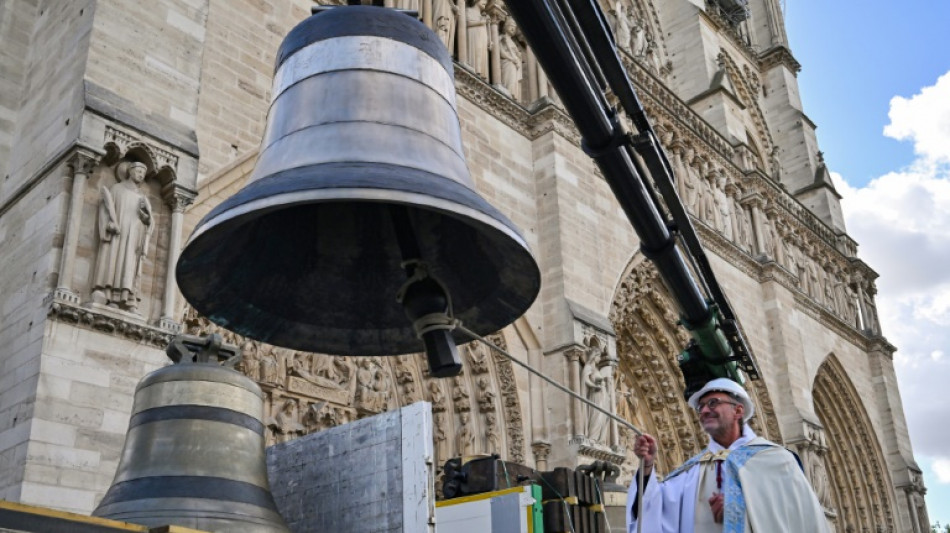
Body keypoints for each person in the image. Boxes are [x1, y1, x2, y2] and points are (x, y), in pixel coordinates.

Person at [626, 378, 829, 533]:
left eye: (713, 403)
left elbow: (800, 518)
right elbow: (651, 511)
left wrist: (737, 506)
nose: (704, 410)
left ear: (738, 411)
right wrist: (647, 466)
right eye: (701, 407)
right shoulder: (693, 471)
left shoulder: (776, 460)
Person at [91, 160, 153, 311]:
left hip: (134, 237)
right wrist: (109, 224)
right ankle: (109, 294)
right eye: (138, 172)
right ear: (130, 171)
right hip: (117, 236)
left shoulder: (142, 197)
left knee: (129, 265)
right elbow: (106, 209)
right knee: (114, 261)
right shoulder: (117, 189)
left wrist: (146, 216)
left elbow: (148, 221)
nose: (140, 175)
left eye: (143, 174)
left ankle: (128, 298)